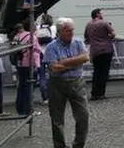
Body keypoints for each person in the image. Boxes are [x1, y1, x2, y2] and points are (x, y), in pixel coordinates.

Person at [43, 17, 90, 148]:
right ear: (59, 32)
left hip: (77, 82)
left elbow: (85, 57)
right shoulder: (51, 47)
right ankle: (60, 146)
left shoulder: (78, 42)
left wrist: (64, 62)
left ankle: (79, 144)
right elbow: (54, 68)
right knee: (57, 118)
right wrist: (76, 62)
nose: (71, 32)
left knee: (83, 115)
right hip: (57, 83)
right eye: (67, 30)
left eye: (72, 29)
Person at [84, 8, 116, 101]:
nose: (103, 14)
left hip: (95, 51)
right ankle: (101, 93)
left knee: (96, 72)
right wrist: (108, 37)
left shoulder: (88, 24)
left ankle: (94, 93)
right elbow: (113, 34)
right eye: (101, 13)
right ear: (97, 14)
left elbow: (86, 38)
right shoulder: (104, 23)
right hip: (106, 50)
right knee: (104, 72)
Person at [12, 22, 42, 116]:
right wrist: (37, 65)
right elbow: (35, 52)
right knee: (29, 87)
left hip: (20, 64)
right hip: (29, 64)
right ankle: (29, 110)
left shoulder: (17, 36)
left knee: (21, 86)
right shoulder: (32, 37)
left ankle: (20, 108)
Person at [36, 14, 57, 104]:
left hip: (40, 54)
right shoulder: (53, 28)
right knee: (54, 75)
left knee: (42, 76)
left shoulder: (37, 28)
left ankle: (45, 98)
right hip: (51, 54)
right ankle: (55, 95)